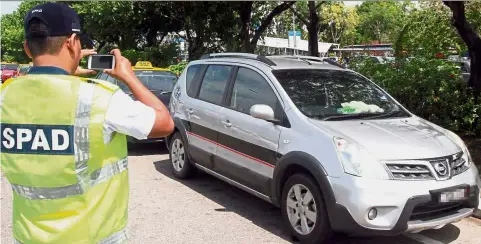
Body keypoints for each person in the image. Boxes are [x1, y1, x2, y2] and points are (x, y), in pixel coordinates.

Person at [0, 2, 174, 243]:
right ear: (72, 43)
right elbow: (165, 124)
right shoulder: (99, 98)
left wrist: (65, 68)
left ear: (27, 49)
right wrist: (128, 77)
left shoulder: (6, 96)